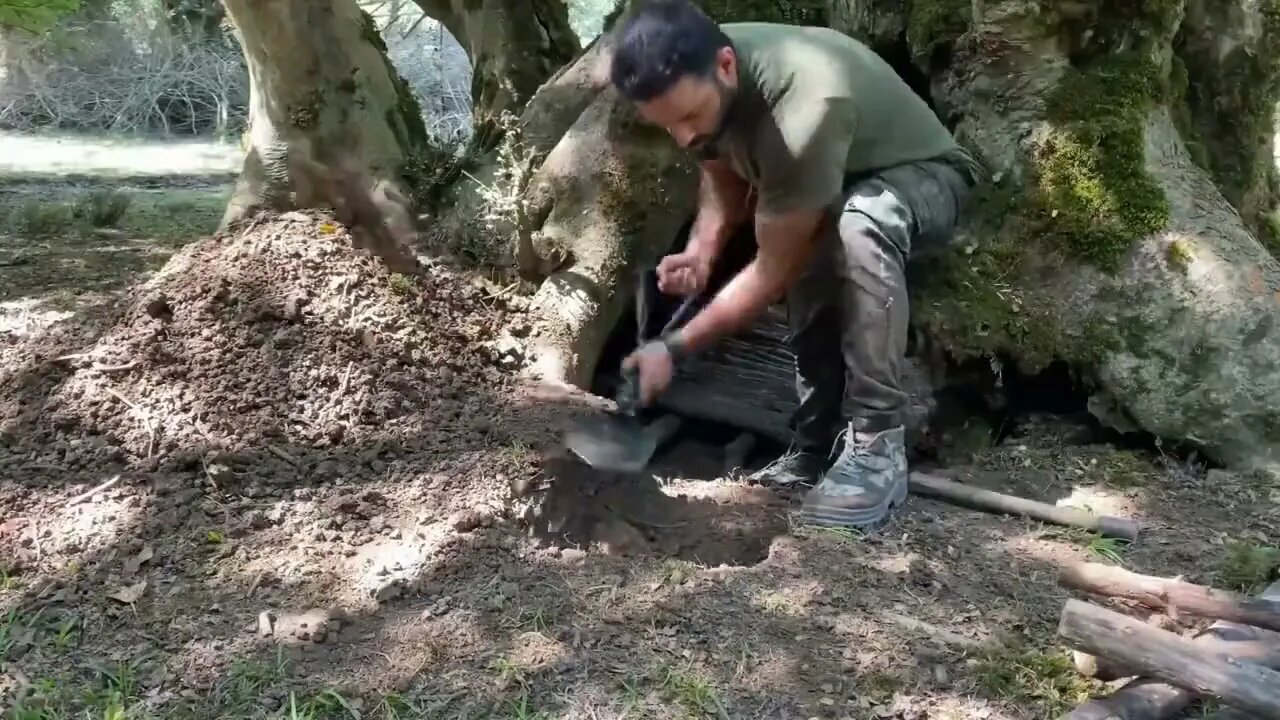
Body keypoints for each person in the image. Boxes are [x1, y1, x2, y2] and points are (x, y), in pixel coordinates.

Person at [609, 0, 983, 531]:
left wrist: (676, 347)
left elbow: (773, 270)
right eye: (668, 125)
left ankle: (877, 446)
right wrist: (702, 248)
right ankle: (817, 442)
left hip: (927, 179)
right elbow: (719, 166)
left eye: (690, 117)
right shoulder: (690, 70)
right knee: (817, 239)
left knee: (856, 225)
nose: (684, 137)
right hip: (829, 184)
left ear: (726, 66)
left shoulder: (803, 107)